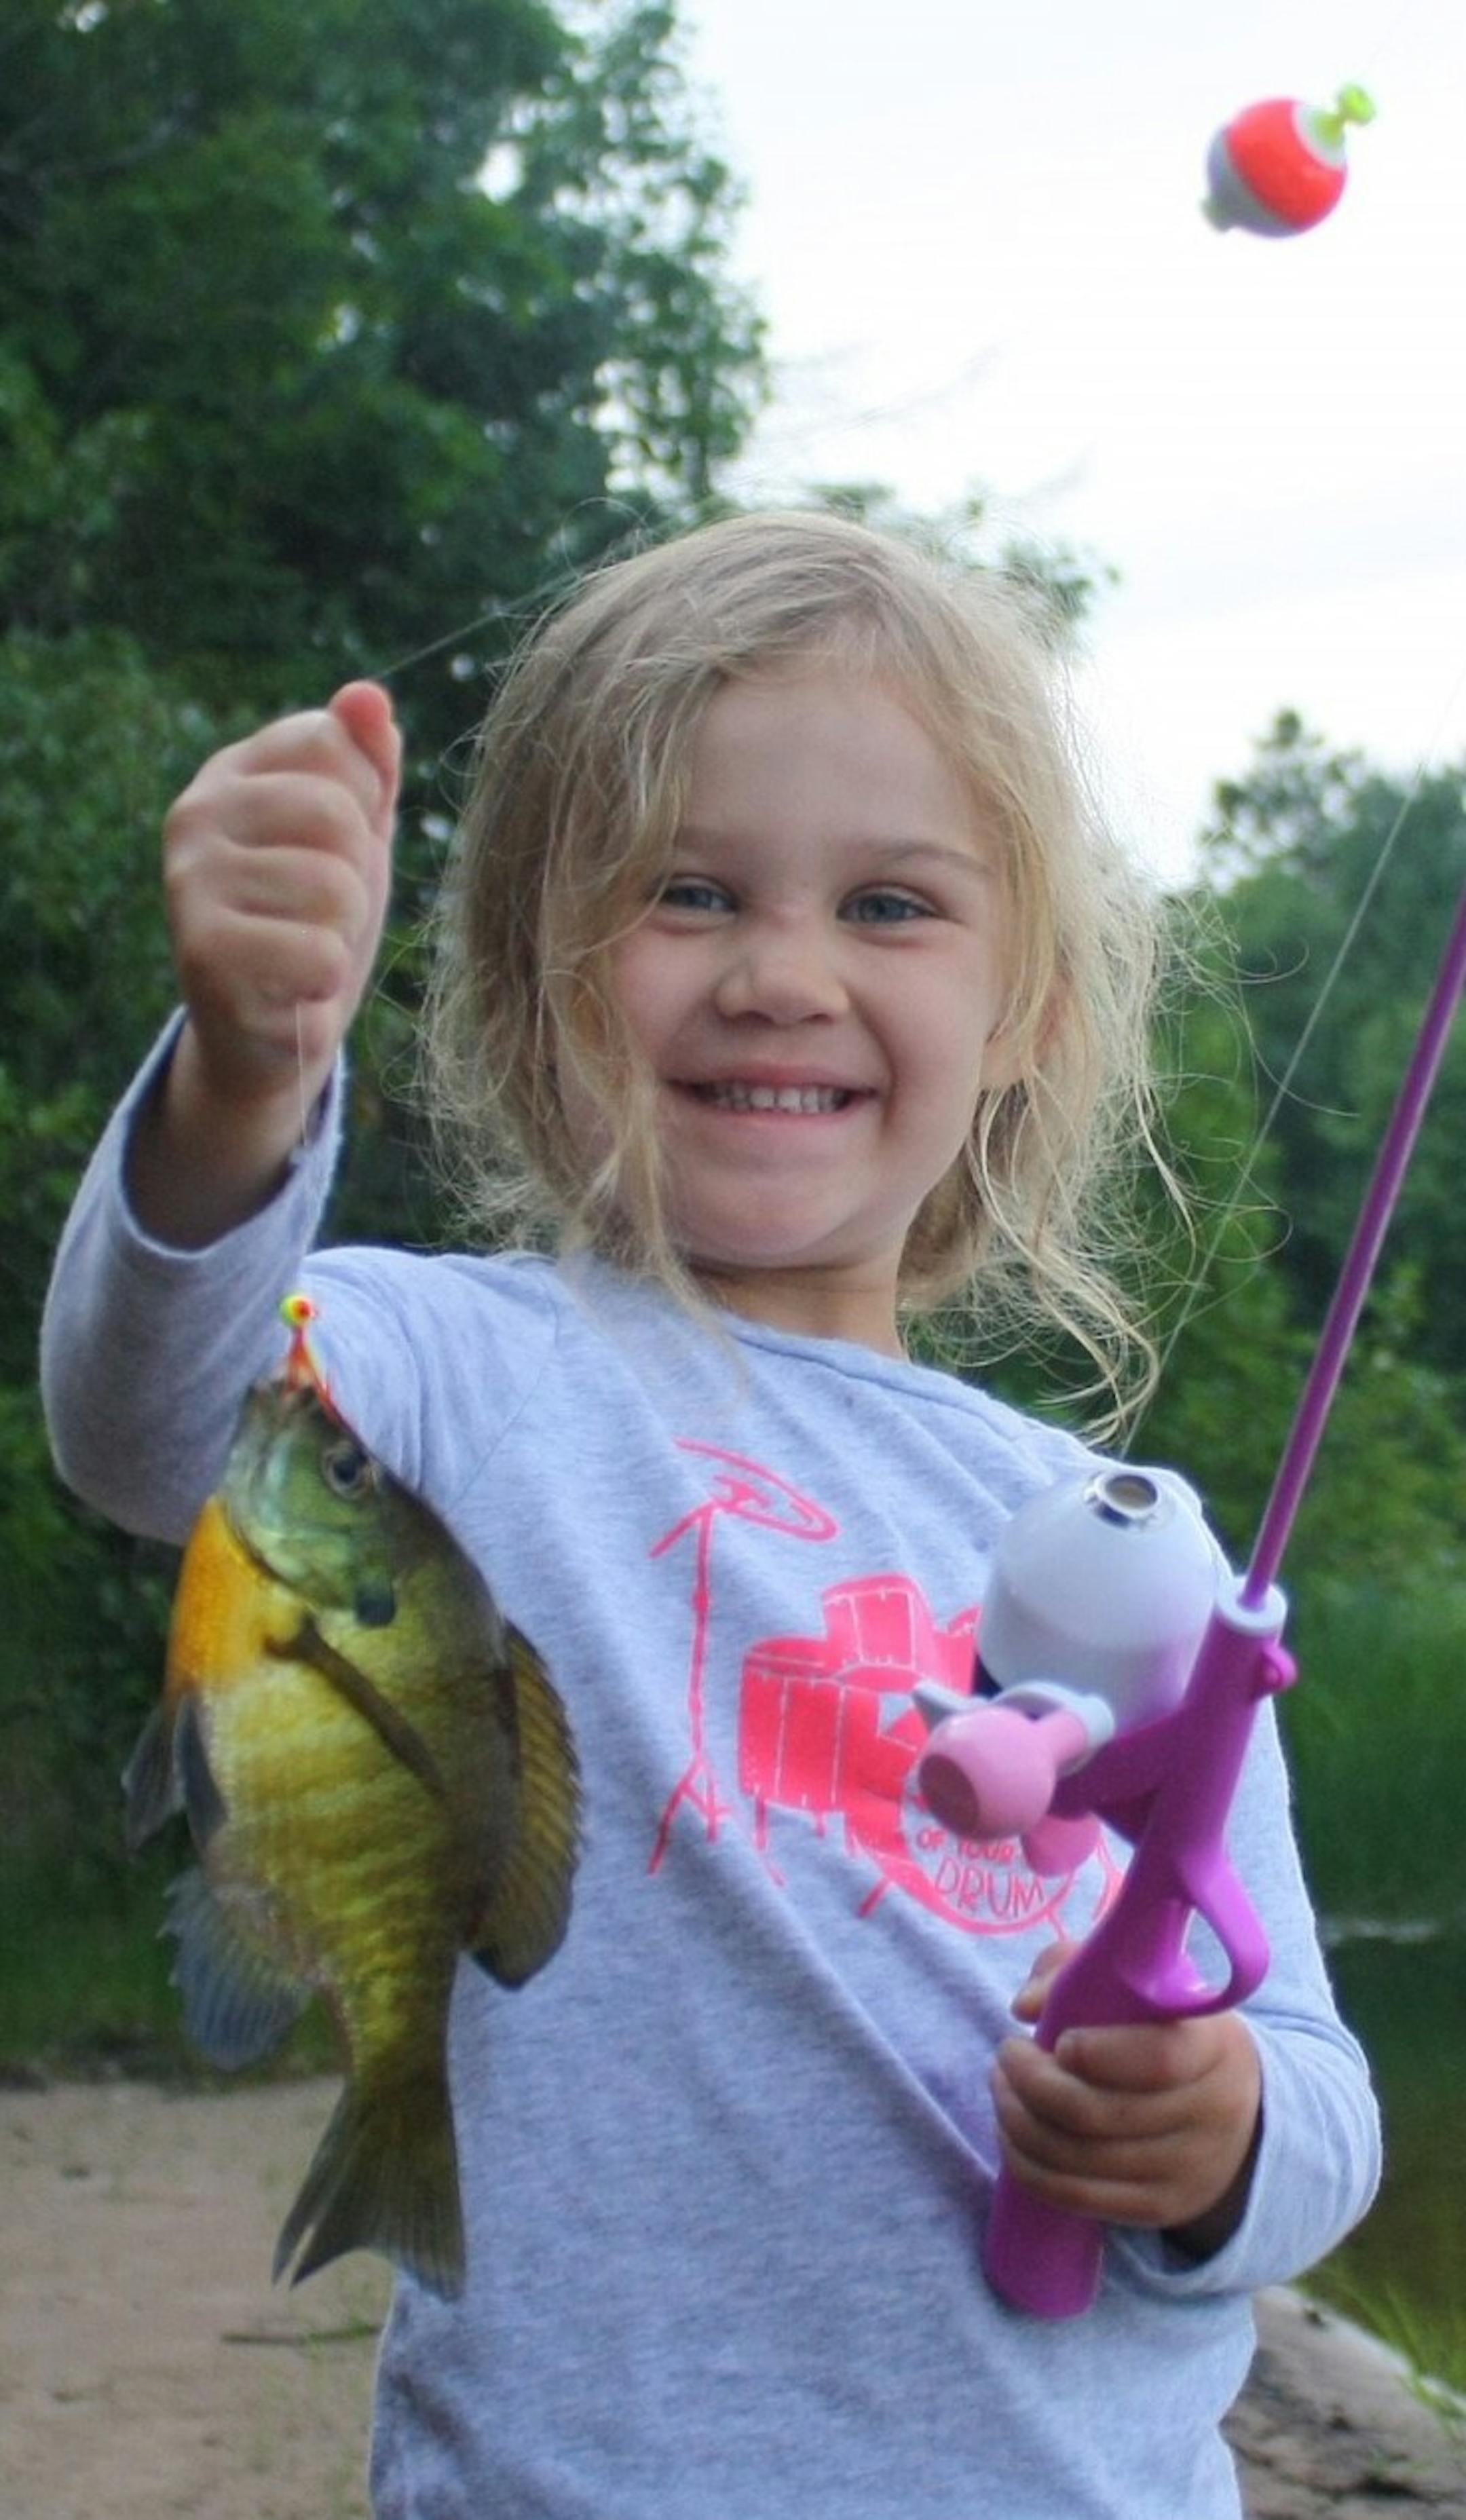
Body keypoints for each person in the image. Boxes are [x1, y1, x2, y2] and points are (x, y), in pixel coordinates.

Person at [41, 510, 1379, 2519]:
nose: (782, 974)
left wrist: (1224, 2130)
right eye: (688, 891)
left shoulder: (1125, 1539)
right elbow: (146, 1428)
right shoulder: (437, 1366)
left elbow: (1316, 2076)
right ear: (528, 971)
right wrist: (244, 1084)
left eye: (894, 906)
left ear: (1024, 1007)